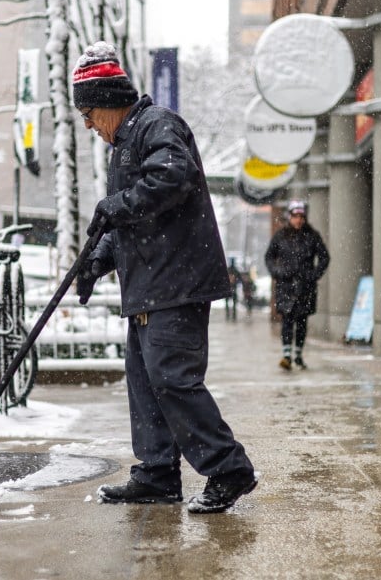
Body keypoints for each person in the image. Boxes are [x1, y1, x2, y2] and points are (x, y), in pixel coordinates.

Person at [72, 41, 257, 514]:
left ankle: (227, 468)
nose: (90, 126)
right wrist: (99, 257)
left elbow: (173, 178)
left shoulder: (157, 126)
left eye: (90, 114)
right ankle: (156, 473)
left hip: (177, 281)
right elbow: (135, 219)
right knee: (145, 380)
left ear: (111, 100)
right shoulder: (127, 143)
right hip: (150, 285)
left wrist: (114, 206)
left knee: (173, 379)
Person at [263, 199, 330, 370]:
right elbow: (269, 257)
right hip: (286, 286)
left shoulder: (312, 236)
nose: (298, 220)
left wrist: (313, 275)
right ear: (289, 217)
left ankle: (298, 355)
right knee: (287, 320)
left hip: (305, 287)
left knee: (301, 322)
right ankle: (286, 355)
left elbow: (324, 257)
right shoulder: (280, 236)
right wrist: (277, 273)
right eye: (295, 216)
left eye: (301, 216)